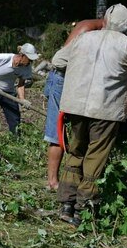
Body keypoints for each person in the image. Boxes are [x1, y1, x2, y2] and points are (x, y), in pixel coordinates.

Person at [55, 4, 127, 226]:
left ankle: (66, 205)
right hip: (105, 110)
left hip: (75, 106)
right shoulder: (126, 46)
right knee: (95, 158)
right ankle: (83, 210)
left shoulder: (83, 39)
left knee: (75, 153)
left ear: (105, 21)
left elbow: (58, 61)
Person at [43, 19, 104, 190]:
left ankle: (68, 176)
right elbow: (64, 60)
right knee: (57, 131)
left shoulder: (95, 28)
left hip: (71, 78)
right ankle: (52, 181)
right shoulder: (87, 28)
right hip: (62, 79)